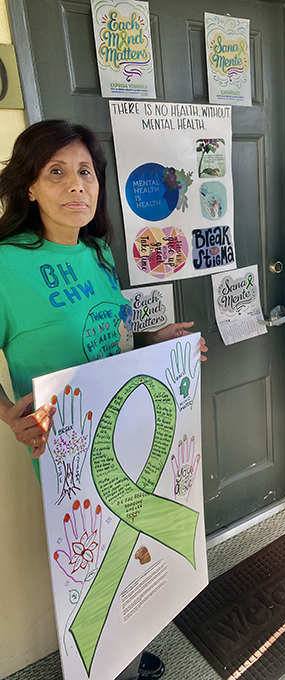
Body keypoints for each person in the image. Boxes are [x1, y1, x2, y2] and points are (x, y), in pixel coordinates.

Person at [0, 119, 207, 680]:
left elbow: (110, 338)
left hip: (127, 430)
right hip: (64, 448)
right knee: (90, 563)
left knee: (135, 549)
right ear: (30, 188)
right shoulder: (4, 264)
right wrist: (5, 413)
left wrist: (155, 341)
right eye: (57, 172)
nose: (76, 186)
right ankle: (109, 660)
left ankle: (129, 651)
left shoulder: (98, 254)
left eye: (86, 172)